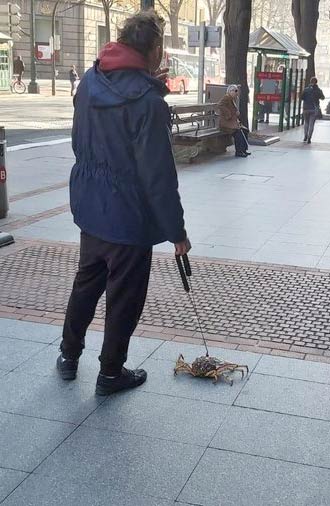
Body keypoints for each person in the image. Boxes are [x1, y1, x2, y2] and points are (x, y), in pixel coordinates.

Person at [57, 10, 191, 395]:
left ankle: (68, 355)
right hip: (129, 218)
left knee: (86, 283)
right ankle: (111, 373)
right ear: (154, 49)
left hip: (91, 207)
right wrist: (176, 232)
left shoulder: (89, 82)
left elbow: (78, 143)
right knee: (124, 298)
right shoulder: (148, 102)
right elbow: (158, 176)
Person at [219, 85, 251, 157]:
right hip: (226, 124)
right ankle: (239, 151)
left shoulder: (233, 99)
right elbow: (220, 105)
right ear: (230, 91)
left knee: (245, 130)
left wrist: (236, 112)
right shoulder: (226, 98)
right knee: (238, 133)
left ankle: (243, 150)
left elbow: (233, 110)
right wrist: (228, 114)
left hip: (232, 123)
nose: (236, 92)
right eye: (235, 91)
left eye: (237, 91)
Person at [300, 76, 325, 144]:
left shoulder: (306, 89)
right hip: (314, 109)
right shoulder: (318, 90)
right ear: (316, 82)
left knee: (306, 123)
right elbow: (323, 97)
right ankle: (309, 138)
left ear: (310, 82)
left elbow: (302, 97)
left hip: (306, 108)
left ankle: (305, 135)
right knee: (311, 124)